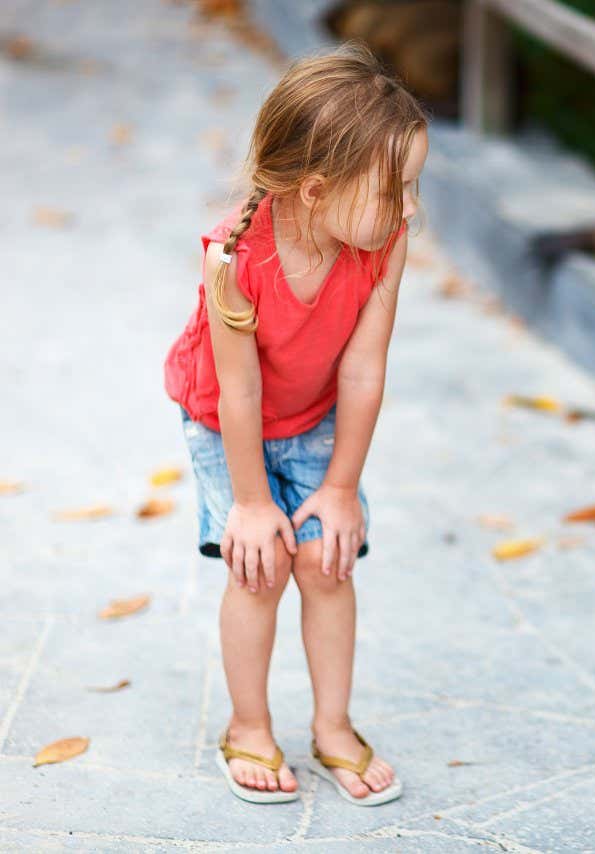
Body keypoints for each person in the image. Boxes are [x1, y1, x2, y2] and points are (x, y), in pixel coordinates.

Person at [163, 43, 428, 806]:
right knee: (263, 564)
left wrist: (341, 489)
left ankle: (334, 727)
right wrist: (251, 505)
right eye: (397, 190)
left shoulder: (385, 244)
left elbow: (364, 368)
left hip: (314, 414)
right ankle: (248, 726)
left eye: (415, 188)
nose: (411, 209)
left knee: (326, 561)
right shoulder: (234, 258)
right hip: (224, 419)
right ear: (316, 189)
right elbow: (237, 395)